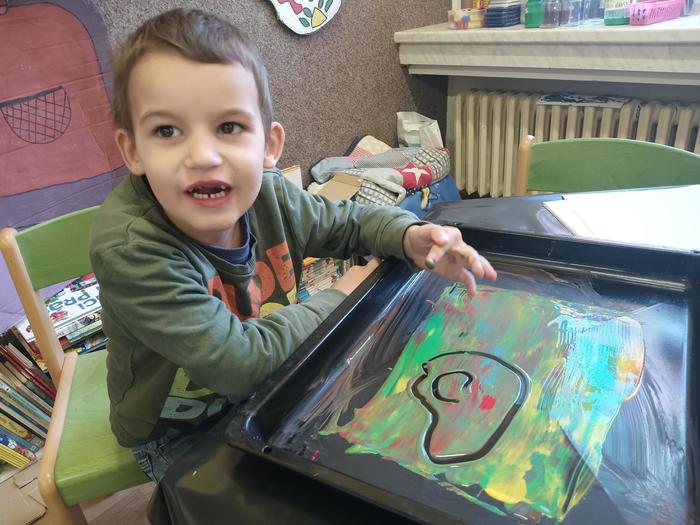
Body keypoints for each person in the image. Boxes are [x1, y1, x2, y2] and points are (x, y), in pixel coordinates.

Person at [90, 8, 497, 482]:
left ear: (269, 145)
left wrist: (408, 235)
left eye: (228, 127)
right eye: (167, 131)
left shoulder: (270, 193)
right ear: (132, 150)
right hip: (175, 431)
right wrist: (343, 294)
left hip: (271, 381)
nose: (202, 155)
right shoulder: (132, 249)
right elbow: (239, 364)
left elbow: (349, 224)